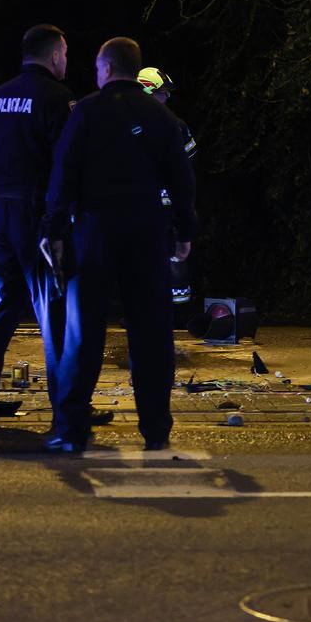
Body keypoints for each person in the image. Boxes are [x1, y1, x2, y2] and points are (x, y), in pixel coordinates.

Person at [40, 38, 195, 453]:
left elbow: (63, 174)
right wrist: (184, 232)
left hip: (94, 231)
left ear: (105, 69)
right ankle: (156, 429)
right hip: (146, 232)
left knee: (83, 333)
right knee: (151, 335)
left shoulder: (86, 111)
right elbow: (182, 180)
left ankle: (71, 429)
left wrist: (55, 231)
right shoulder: (161, 116)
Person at [0, 25, 76, 428]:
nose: (66, 61)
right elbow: (66, 165)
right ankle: (67, 410)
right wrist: (57, 221)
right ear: (53, 55)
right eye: (65, 54)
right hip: (37, 213)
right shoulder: (57, 99)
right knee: (54, 313)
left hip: (0, 212)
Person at [138, 66, 197, 323]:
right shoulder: (174, 125)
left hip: (153, 206)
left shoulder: (122, 123)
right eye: (162, 93)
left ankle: (169, 315)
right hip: (155, 207)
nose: (167, 99)